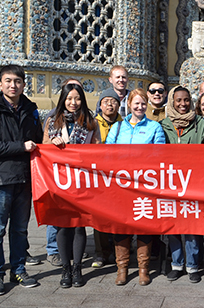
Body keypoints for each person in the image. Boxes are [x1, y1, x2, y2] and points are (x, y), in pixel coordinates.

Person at [0, 65, 43, 295]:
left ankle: (18, 269)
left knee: (20, 230)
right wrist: (21, 147)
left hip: (24, 179)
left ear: (24, 84)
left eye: (17, 81)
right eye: (8, 81)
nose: (13, 85)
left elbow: (39, 142)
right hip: (0, 179)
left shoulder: (31, 110)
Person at [42, 83, 101, 288]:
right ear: (63, 100)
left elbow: (97, 150)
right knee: (62, 225)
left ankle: (77, 268)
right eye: (69, 99)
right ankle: (65, 268)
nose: (73, 103)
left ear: (82, 100)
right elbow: (43, 148)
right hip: (59, 181)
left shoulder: (90, 122)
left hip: (82, 181)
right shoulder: (52, 120)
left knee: (78, 225)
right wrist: (53, 143)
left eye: (77, 99)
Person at [106, 88, 166, 286]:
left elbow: (159, 156)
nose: (140, 107)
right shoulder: (117, 127)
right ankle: (122, 268)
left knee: (144, 225)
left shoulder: (154, 127)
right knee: (121, 226)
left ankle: (143, 269)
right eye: (136, 103)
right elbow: (107, 154)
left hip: (144, 185)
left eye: (143, 104)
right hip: (121, 186)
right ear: (129, 105)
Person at [159, 85, 204, 283]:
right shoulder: (163, 125)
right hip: (170, 184)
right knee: (174, 227)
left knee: (192, 228)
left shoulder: (201, 124)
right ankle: (177, 264)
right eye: (178, 100)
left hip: (194, 184)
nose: (182, 104)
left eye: (186, 100)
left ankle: (193, 265)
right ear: (172, 102)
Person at [91, 91, 121, 269]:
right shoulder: (92, 123)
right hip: (98, 176)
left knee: (117, 216)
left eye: (114, 102)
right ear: (100, 105)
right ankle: (100, 252)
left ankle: (118, 251)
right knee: (99, 216)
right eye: (106, 101)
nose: (110, 105)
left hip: (119, 177)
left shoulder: (124, 124)